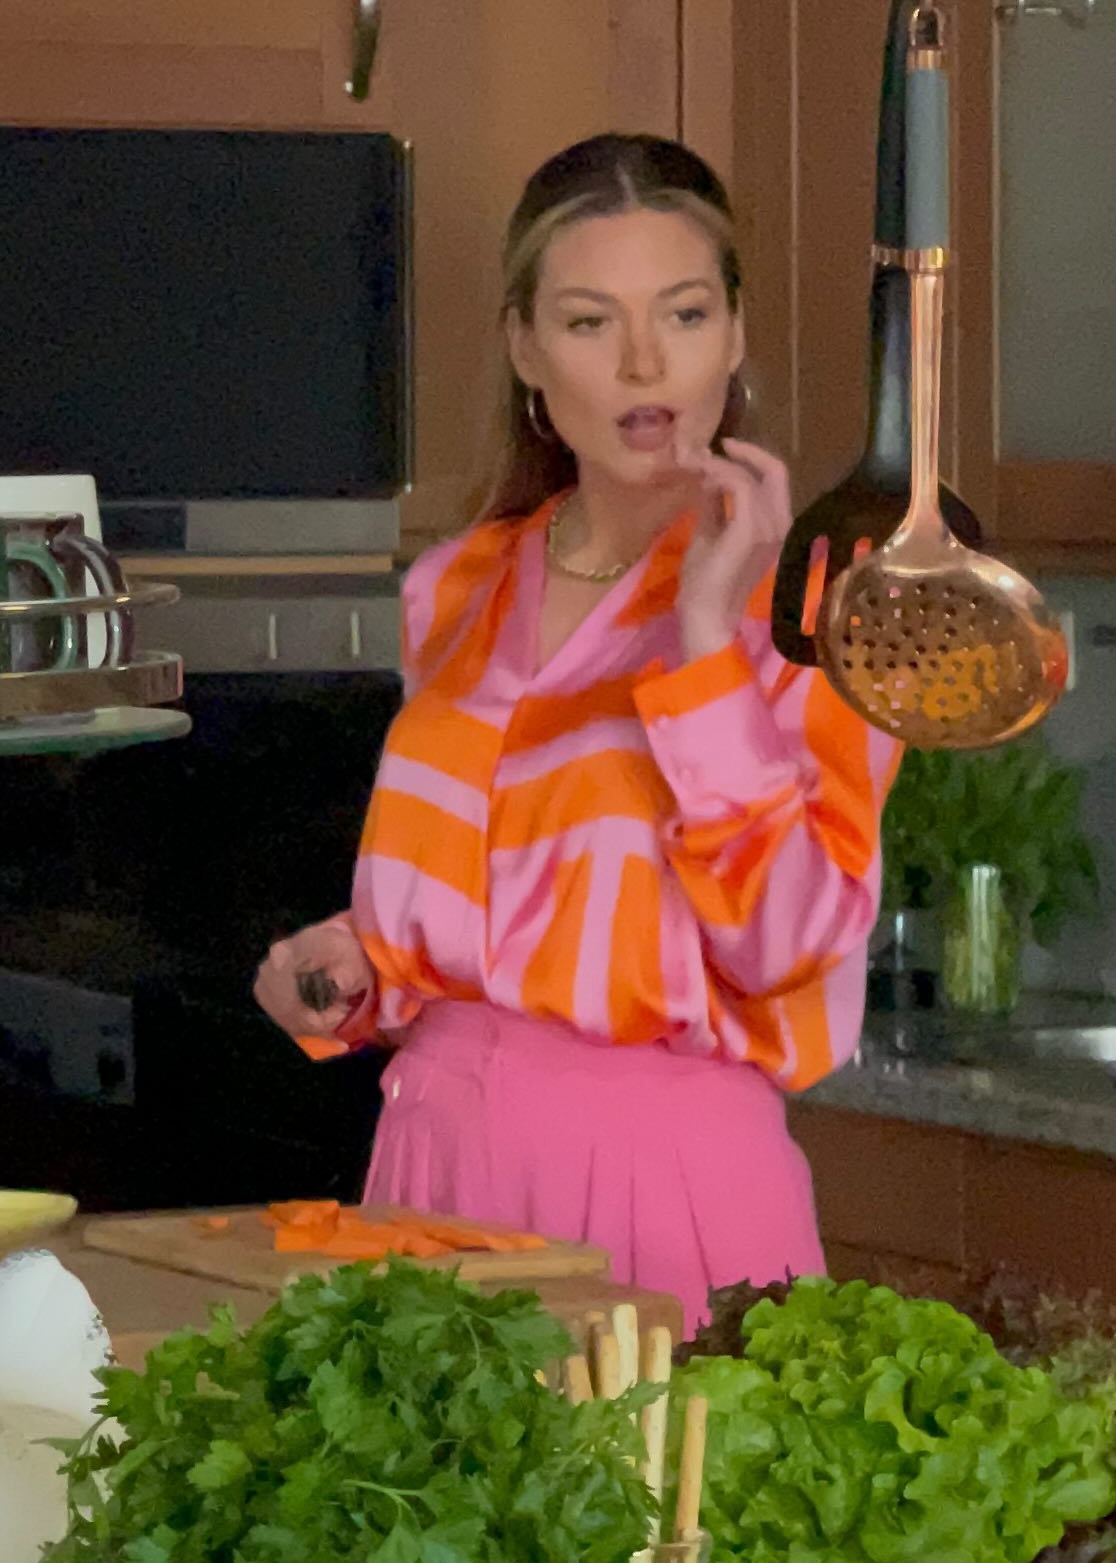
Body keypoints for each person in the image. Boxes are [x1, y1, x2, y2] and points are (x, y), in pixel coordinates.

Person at [254, 132, 901, 1334]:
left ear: (734, 335)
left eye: (686, 314)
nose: (646, 363)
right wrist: (354, 968)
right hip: (432, 1170)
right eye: (591, 322)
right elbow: (500, 896)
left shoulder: (820, 609)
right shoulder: (455, 587)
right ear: (525, 348)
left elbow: (786, 941)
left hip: (667, 1181)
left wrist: (705, 643)